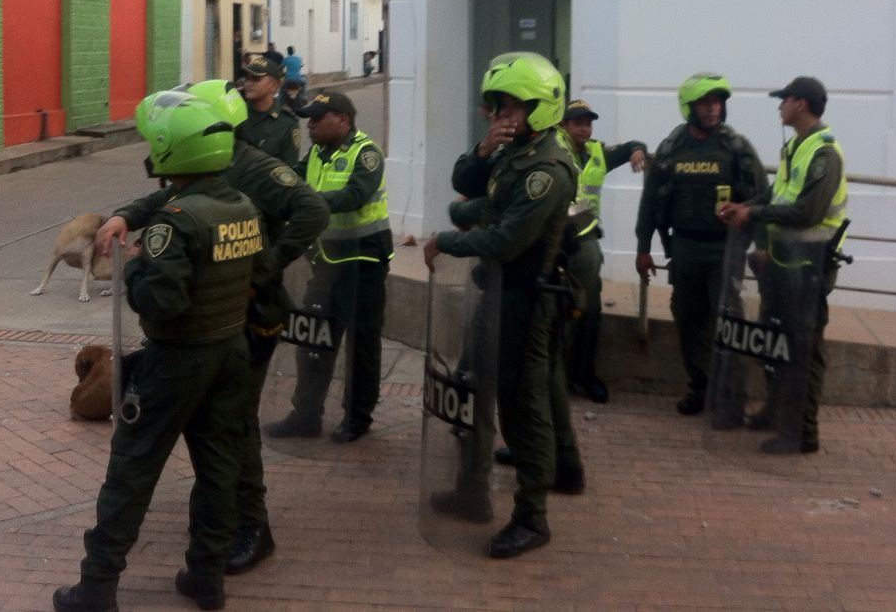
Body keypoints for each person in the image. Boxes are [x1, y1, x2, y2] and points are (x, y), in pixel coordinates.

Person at [94, 80, 331, 578]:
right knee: (221, 435)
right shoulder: (216, 165)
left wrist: (264, 267)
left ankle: (252, 528)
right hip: (216, 320)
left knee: (235, 432)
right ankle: (218, 531)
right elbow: (172, 195)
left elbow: (314, 210)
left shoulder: (257, 168)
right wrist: (123, 215)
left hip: (247, 318)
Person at [54, 90, 264, 612]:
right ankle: (206, 577)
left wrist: (140, 262)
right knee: (218, 469)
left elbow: (161, 301)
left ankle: (97, 587)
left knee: (132, 468)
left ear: (173, 152)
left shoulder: (175, 223)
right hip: (230, 352)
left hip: (178, 361)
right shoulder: (239, 204)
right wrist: (131, 218)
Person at [423, 52, 583, 560]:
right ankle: (471, 491)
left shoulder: (548, 167)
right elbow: (474, 189)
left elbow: (509, 237)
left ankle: (532, 517)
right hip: (493, 292)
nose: (499, 116)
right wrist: (482, 149)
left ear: (539, 107)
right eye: (495, 107)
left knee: (523, 410)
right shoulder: (516, 150)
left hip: (525, 299)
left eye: (509, 107)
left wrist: (449, 237)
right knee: (469, 389)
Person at [719, 76, 847, 454]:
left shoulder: (824, 153)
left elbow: (808, 211)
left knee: (803, 351)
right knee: (774, 343)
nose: (779, 106)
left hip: (807, 268)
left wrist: (754, 212)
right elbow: (778, 194)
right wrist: (746, 207)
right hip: (781, 263)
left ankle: (802, 432)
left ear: (801, 104)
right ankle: (776, 412)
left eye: (784, 100)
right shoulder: (797, 146)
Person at [635, 73, 767, 416]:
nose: (713, 109)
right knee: (688, 319)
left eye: (717, 102)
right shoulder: (670, 148)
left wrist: (761, 245)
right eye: (705, 103)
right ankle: (701, 387)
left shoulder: (736, 148)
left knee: (728, 321)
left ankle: (732, 397)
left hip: (725, 249)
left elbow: (762, 200)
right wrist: (643, 248)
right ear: (689, 107)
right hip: (685, 249)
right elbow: (650, 202)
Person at [265, 90, 393, 443]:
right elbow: (292, 178)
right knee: (312, 340)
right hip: (326, 262)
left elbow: (355, 195)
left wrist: (306, 203)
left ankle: (357, 417)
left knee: (361, 345)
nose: (310, 125)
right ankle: (306, 415)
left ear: (344, 120)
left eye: (318, 119)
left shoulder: (365, 152)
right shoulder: (317, 154)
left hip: (362, 262)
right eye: (309, 119)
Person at [559, 99, 647, 403]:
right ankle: (555, 377)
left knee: (589, 312)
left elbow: (630, 146)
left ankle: (583, 374)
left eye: (588, 122)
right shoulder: (554, 152)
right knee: (555, 311)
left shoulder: (597, 152)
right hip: (554, 244)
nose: (584, 128)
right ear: (563, 125)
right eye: (577, 122)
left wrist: (638, 150)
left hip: (584, 243)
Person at [240, 54, 302, 164]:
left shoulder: (287, 124)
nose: (248, 84)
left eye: (256, 79)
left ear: (273, 85)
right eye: (247, 79)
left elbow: (290, 171)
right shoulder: (236, 114)